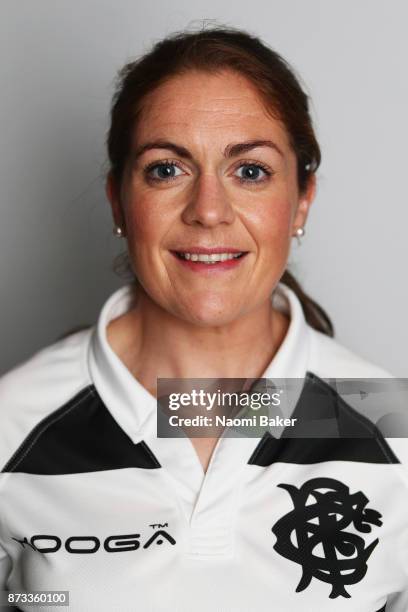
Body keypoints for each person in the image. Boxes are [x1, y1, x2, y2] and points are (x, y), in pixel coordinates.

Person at [0, 25, 407, 612]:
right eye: (167, 169)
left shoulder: (391, 426)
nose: (209, 212)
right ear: (118, 199)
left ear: (303, 199)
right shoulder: (15, 424)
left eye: (250, 171)